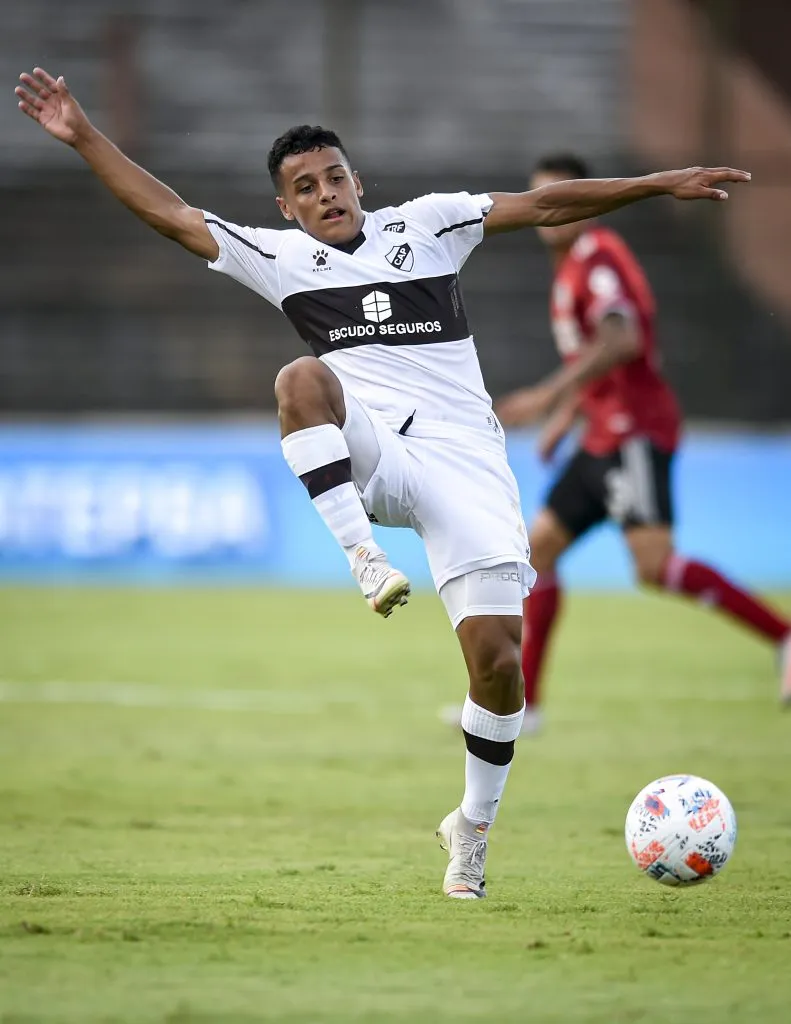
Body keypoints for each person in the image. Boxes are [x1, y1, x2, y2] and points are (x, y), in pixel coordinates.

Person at [15, 67, 751, 899]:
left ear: (357, 181)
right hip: (376, 456)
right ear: (287, 207)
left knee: (498, 663)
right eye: (305, 187)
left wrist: (655, 183)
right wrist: (82, 135)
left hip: (466, 467)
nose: (325, 193)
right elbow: (170, 214)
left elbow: (544, 205)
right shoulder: (279, 256)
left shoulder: (428, 225)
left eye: (334, 176)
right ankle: (363, 558)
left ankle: (470, 828)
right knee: (300, 379)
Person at [494, 153, 790, 730]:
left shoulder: (596, 258)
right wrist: (569, 418)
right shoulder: (571, 268)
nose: (553, 212)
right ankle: (526, 706)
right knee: (538, 553)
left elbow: (620, 338)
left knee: (653, 566)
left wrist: (548, 398)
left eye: (565, 198)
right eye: (543, 201)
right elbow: (600, 359)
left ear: (588, 199)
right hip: (602, 432)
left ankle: (784, 636)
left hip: (633, 431)